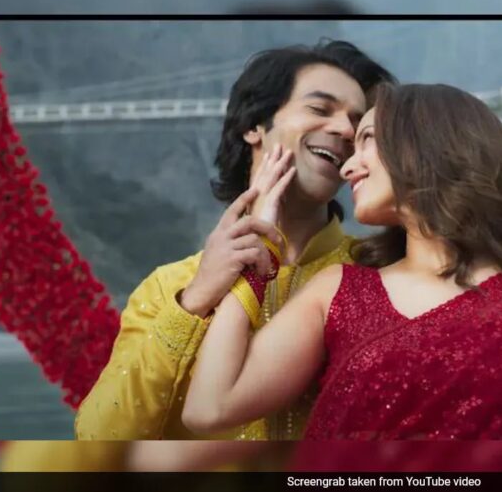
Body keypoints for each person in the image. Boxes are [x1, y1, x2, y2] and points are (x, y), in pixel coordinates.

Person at [182, 83, 502, 440]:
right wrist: (255, 254)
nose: (347, 167)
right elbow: (209, 408)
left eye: (366, 139)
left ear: (427, 142)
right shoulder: (341, 292)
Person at [72, 39, 396, 442]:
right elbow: (99, 438)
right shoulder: (170, 288)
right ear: (253, 126)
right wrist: (194, 302)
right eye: (319, 109)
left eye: (358, 124)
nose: (346, 130)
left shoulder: (383, 272)